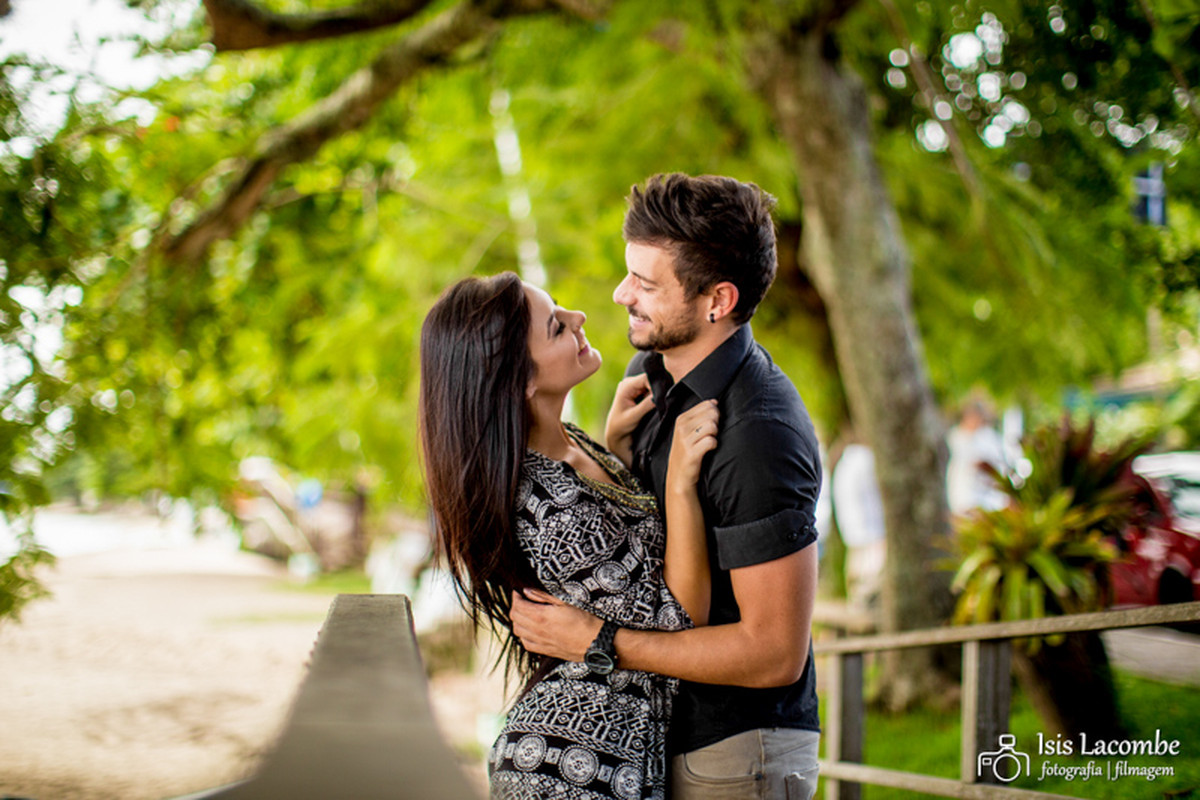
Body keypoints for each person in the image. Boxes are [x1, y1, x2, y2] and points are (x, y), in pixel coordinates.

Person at [512, 173, 823, 800]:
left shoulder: (759, 436)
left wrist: (599, 643)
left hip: (735, 752)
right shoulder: (649, 376)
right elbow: (645, 555)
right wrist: (616, 460)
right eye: (629, 273)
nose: (621, 294)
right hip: (654, 741)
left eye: (646, 284)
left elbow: (774, 652)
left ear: (717, 301)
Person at [419, 271, 722, 800]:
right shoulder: (546, 503)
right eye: (556, 327)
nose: (578, 317)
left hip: (602, 753)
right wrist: (678, 482)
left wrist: (619, 454)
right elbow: (680, 618)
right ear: (521, 381)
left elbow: (621, 563)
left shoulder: (570, 448)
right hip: (573, 767)